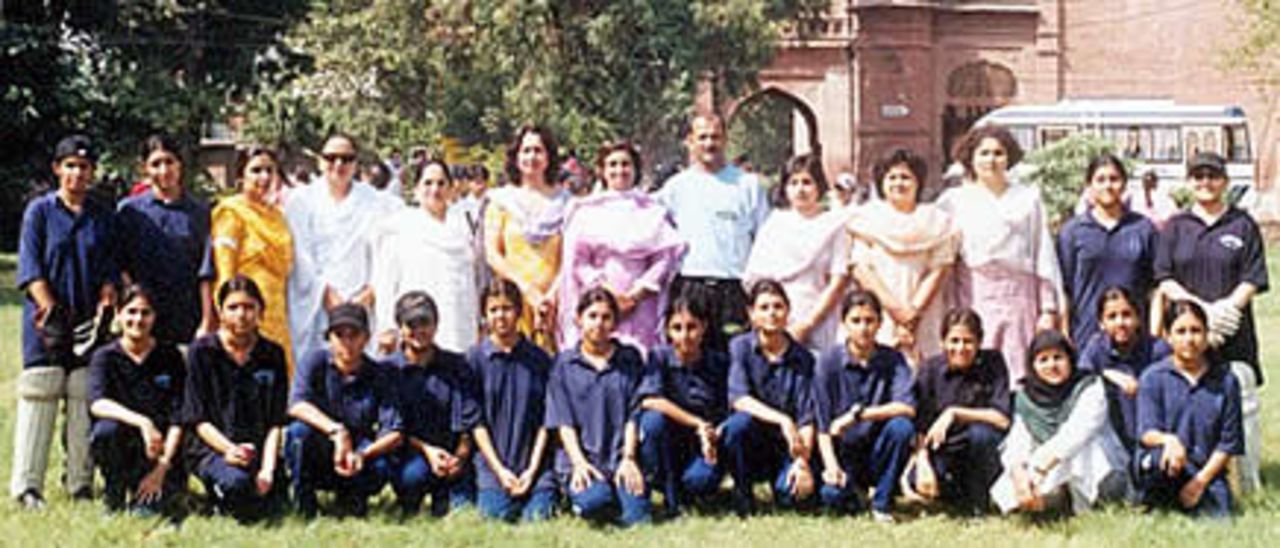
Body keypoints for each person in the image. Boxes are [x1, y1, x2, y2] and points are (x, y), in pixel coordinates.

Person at [13, 134, 118, 509]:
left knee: (82, 399)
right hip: (47, 323)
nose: (77, 173)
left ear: (92, 172)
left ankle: (80, 483)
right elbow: (30, 269)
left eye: (84, 167)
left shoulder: (102, 216)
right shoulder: (39, 212)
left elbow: (109, 272)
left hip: (89, 326)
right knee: (41, 394)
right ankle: (27, 487)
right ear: (58, 169)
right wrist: (52, 314)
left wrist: (106, 307)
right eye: (70, 165)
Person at [1152, 151, 1266, 492]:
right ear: (1189, 182)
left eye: (1213, 176)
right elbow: (1163, 276)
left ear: (1225, 182)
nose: (1206, 183)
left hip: (1233, 331)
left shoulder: (1242, 224)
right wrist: (1199, 311)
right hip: (1186, 332)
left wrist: (1225, 310)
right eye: (1198, 176)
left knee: (1242, 403)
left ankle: (1248, 484)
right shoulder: (1176, 226)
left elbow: (1253, 276)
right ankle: (1188, 475)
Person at [939, 126, 1064, 385]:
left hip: (1019, 297)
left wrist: (1048, 309)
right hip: (973, 293)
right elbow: (946, 259)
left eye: (998, 153)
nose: (991, 160)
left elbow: (1043, 254)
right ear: (971, 158)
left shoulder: (1028, 198)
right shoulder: (954, 201)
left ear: (1009, 158)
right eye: (984, 153)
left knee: (1018, 368)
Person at [558, 140, 687, 350]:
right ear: (602, 170)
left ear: (636, 169)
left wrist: (635, 294)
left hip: (642, 304)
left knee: (639, 357)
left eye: (625, 164)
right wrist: (609, 294)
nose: (620, 170)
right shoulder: (586, 210)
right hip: (599, 302)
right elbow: (578, 260)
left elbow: (664, 257)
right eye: (613, 164)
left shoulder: (651, 210)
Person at [657, 115, 770, 352]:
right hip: (690, 285)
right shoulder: (675, 188)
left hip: (734, 288)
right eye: (702, 137)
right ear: (690, 141)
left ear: (725, 140)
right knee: (689, 358)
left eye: (715, 137)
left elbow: (765, 240)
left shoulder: (747, 185)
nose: (709, 143)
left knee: (734, 356)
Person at [286, 132, 398, 365]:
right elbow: (301, 256)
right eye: (331, 157)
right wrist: (326, 295)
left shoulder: (376, 202)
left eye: (346, 159)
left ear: (356, 163)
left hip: (362, 302)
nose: (338, 164)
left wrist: (369, 293)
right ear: (319, 161)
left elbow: (384, 255)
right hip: (317, 307)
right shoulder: (301, 201)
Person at [183, 276, 289, 522]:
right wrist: (229, 450)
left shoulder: (272, 354)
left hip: (258, 450)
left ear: (260, 311)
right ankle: (217, 495)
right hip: (213, 448)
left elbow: (276, 421)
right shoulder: (201, 352)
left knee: (275, 501)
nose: (241, 314)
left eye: (249, 307)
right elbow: (198, 419)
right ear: (220, 312)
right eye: (233, 307)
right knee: (238, 487)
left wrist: (268, 469)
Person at [989, 330, 1129, 515]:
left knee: (1084, 456)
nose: (1052, 365)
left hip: (1089, 457)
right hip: (1047, 461)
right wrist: (1019, 474)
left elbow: (1077, 432)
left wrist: (1040, 470)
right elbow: (1019, 438)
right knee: (1012, 491)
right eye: (1043, 359)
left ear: (1070, 359)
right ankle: (1054, 498)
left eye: (1058, 357)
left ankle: (1074, 499)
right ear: (1033, 365)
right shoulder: (1026, 396)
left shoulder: (1090, 386)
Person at [545, 288, 653, 526]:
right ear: (578, 319)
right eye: (592, 316)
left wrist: (629, 458)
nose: (599, 323)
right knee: (596, 503)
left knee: (639, 518)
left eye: (606, 317)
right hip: (583, 459)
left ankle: (618, 492)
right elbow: (563, 422)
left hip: (618, 457)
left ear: (615, 322)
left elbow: (633, 415)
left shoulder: (629, 358)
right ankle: (583, 497)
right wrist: (579, 463)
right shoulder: (564, 364)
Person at [286, 303, 402, 517]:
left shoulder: (381, 374)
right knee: (298, 434)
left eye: (354, 334)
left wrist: (363, 454)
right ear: (329, 338)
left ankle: (352, 496)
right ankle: (304, 503)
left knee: (384, 462)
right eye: (339, 334)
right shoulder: (313, 362)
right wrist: (337, 431)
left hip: (359, 453)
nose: (347, 342)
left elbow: (394, 431)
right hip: (322, 446)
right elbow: (297, 404)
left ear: (366, 338)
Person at [812, 291, 915, 521]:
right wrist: (831, 466)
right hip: (842, 453)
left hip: (877, 450)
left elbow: (907, 407)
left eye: (870, 320)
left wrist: (858, 415)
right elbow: (822, 423)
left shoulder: (893, 359)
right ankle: (854, 494)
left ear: (880, 323)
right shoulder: (828, 362)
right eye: (856, 321)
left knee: (902, 427)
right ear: (844, 323)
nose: (863, 328)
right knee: (832, 497)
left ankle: (882, 502)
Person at [848, 149, 958, 364]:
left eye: (906, 177)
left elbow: (940, 268)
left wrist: (912, 314)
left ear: (918, 182)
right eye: (892, 177)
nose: (899, 183)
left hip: (925, 311)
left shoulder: (937, 221)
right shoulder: (866, 219)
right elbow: (862, 269)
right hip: (879, 309)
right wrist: (896, 311)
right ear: (881, 183)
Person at [1136, 300, 1243, 518]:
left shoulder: (1226, 381)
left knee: (1219, 519)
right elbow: (1146, 432)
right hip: (1166, 464)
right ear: (1167, 336)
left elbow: (1228, 442)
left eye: (1196, 331)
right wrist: (1170, 441)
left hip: (1206, 470)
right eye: (1181, 331)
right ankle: (1156, 501)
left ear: (1206, 335)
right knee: (1156, 464)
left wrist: (1200, 482)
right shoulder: (1153, 377)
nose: (1189, 339)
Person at [87, 284, 186, 515]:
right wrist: (143, 422)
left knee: (148, 513)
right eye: (131, 311)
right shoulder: (105, 356)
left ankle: (156, 492)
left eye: (145, 312)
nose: (138, 319)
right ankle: (115, 494)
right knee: (105, 431)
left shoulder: (170, 356)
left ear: (154, 317)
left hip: (162, 452)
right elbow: (97, 403)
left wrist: (161, 468)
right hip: (124, 447)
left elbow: (179, 417)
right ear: (119, 314)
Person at [721, 279, 817, 516]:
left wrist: (802, 463)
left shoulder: (804, 358)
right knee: (737, 425)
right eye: (763, 308)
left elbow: (807, 418)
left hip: (786, 446)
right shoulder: (739, 347)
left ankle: (782, 482)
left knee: (792, 496)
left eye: (778, 306)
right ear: (751, 313)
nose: (771, 313)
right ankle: (742, 495)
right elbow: (739, 399)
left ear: (788, 311)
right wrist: (783, 420)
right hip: (751, 441)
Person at [468, 280, 558, 522]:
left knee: (538, 517)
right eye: (493, 309)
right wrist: (500, 471)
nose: (500, 316)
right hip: (493, 464)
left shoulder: (538, 359)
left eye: (507, 308)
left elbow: (546, 421)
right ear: (484, 314)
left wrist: (531, 470)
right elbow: (476, 423)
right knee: (497, 515)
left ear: (518, 311)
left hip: (534, 462)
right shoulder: (474, 359)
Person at [905, 308, 1009, 515]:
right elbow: (921, 425)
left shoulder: (993, 363)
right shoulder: (930, 370)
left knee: (981, 434)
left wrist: (955, 413)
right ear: (942, 342)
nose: (960, 348)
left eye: (968, 341)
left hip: (981, 452)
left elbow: (1002, 419)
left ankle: (979, 502)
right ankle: (956, 497)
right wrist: (923, 461)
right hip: (946, 450)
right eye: (954, 341)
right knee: (917, 481)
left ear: (979, 342)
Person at [744, 153, 851, 353]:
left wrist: (808, 323)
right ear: (785, 188)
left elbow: (839, 279)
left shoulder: (834, 225)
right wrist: (772, 316)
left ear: (819, 185)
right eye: (793, 183)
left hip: (821, 316)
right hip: (775, 316)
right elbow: (757, 278)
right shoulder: (775, 225)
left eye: (807, 182)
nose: (800, 189)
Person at [115, 134, 215, 344]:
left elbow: (206, 271)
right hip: (142, 321)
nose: (164, 170)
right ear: (144, 169)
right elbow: (121, 266)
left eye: (169, 162)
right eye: (156, 164)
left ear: (180, 165)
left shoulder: (199, 212)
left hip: (187, 319)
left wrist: (207, 321)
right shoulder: (130, 211)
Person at [371, 159, 479, 354]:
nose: (434, 189)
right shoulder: (400, 227)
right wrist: (387, 327)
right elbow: (386, 282)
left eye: (440, 183)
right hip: (415, 324)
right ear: (416, 189)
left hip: (458, 325)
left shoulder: (463, 229)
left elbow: (472, 283)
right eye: (428, 183)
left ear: (450, 188)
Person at [386, 291, 479, 516]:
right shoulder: (389, 370)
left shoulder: (457, 365)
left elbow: (469, 420)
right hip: (412, 454)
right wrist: (427, 450)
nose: (419, 331)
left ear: (436, 324)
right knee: (412, 478)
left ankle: (446, 495)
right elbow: (392, 429)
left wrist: (460, 455)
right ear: (400, 327)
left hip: (455, 455)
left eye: (425, 322)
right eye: (411, 324)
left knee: (462, 511)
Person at [635, 293, 730, 515]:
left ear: (704, 327)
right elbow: (650, 399)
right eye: (677, 328)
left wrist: (712, 433)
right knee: (652, 421)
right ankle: (671, 497)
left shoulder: (718, 362)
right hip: (669, 443)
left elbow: (729, 407)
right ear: (667, 330)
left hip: (704, 443)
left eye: (692, 327)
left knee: (700, 481)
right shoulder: (658, 357)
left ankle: (698, 490)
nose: (685, 335)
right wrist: (696, 423)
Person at [210, 146, 296, 373]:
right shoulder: (231, 212)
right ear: (241, 175)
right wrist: (228, 317)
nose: (264, 177)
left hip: (276, 314)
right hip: (244, 316)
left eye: (270, 170)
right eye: (256, 170)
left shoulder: (278, 216)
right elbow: (225, 271)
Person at [484, 125, 569, 354]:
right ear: (516, 156)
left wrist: (550, 297)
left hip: (556, 304)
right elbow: (492, 253)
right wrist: (527, 290)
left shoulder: (567, 204)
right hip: (513, 303)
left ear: (549, 156)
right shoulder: (501, 202)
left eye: (538, 150)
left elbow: (573, 256)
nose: (532, 157)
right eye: (526, 150)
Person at [1057, 154, 1157, 348]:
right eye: (1100, 180)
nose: (1108, 186)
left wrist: (1155, 334)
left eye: (1114, 179)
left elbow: (1155, 289)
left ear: (1124, 184)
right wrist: (1064, 332)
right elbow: (1064, 290)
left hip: (1135, 338)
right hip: (1086, 336)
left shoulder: (1143, 228)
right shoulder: (1072, 232)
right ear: (1089, 186)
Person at [1078, 287, 1170, 451]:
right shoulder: (1096, 348)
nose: (1120, 322)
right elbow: (1080, 378)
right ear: (1101, 323)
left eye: (1126, 315)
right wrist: (1107, 374)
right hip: (1111, 436)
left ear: (1138, 318)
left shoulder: (1157, 349)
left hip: (1154, 431)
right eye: (1112, 317)